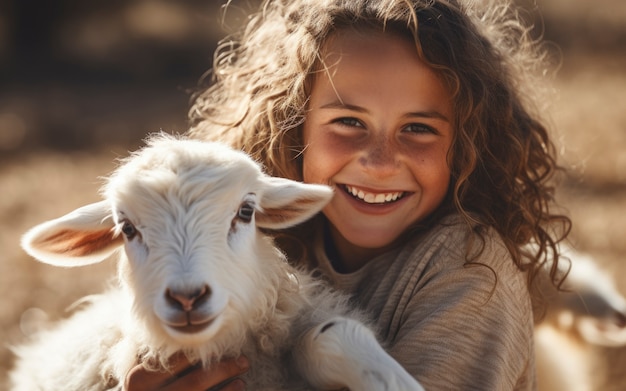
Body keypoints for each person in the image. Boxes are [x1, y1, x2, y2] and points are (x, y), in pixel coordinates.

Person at [125, 0, 571, 389]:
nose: (379, 162)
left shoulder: (471, 273)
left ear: (468, 145)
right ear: (292, 124)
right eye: (349, 122)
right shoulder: (247, 239)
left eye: (418, 129)